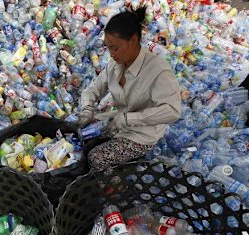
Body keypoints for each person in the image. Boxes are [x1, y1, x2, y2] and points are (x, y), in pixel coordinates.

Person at [77, 7, 181, 171]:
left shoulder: (158, 70)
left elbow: (172, 111)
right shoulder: (115, 64)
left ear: (133, 41)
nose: (111, 54)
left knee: (96, 158)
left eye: (115, 48)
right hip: (117, 122)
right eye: (109, 48)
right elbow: (92, 90)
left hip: (141, 135)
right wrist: (87, 109)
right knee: (83, 138)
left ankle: (115, 189)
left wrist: (129, 119)